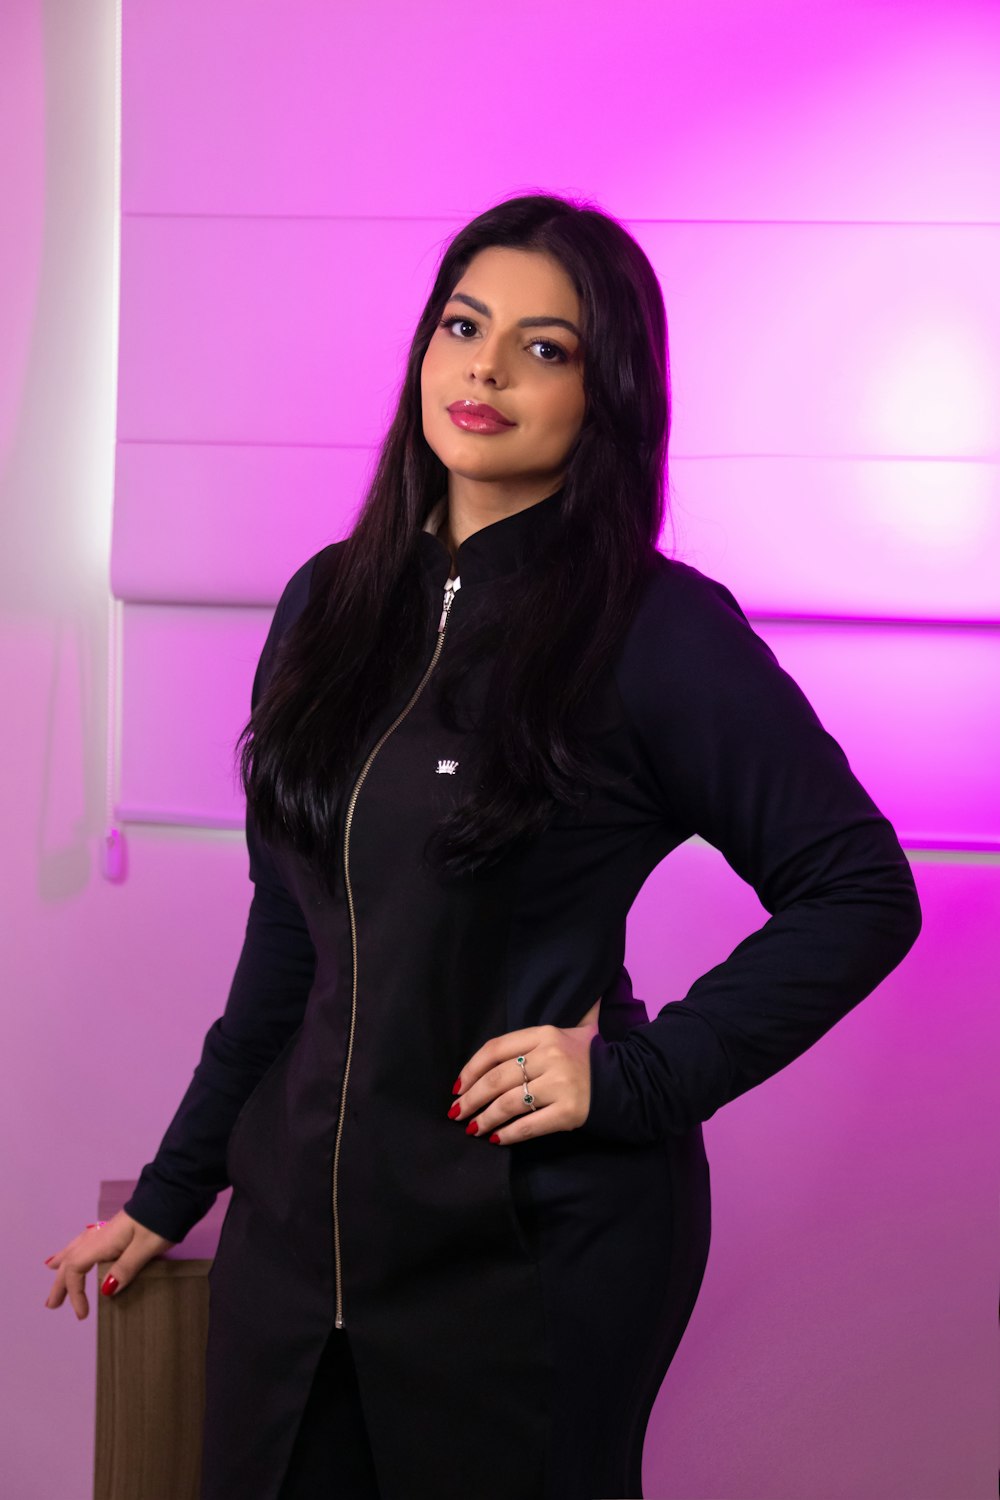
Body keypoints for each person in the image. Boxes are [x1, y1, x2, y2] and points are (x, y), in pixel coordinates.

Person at [43, 192, 922, 1500]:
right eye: (465, 325)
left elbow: (860, 888)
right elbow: (287, 950)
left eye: (546, 346)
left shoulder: (655, 629)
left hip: (535, 1252)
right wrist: (173, 1193)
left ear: (605, 393)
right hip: (299, 1252)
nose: (488, 367)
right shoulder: (325, 604)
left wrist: (639, 1076)